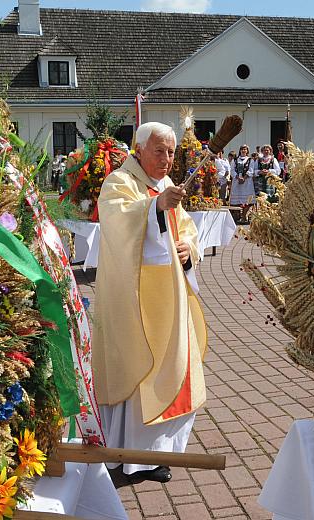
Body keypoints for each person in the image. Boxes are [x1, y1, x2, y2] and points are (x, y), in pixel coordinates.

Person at [93, 122, 208, 487]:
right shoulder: (119, 182)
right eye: (159, 151)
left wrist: (189, 249)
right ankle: (133, 457)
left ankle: (161, 452)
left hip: (170, 297)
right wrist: (155, 206)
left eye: (171, 152)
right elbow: (117, 223)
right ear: (138, 149)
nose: (166, 159)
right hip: (135, 302)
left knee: (174, 368)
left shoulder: (165, 184)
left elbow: (185, 228)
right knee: (140, 370)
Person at [229, 144, 255, 220]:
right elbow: (232, 170)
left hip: (247, 182)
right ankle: (237, 215)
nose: (243, 150)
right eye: (242, 149)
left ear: (247, 151)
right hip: (237, 181)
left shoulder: (250, 160)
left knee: (247, 200)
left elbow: (251, 170)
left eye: (245, 149)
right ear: (240, 150)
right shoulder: (235, 160)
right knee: (236, 201)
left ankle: (244, 216)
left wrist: (244, 178)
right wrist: (238, 178)